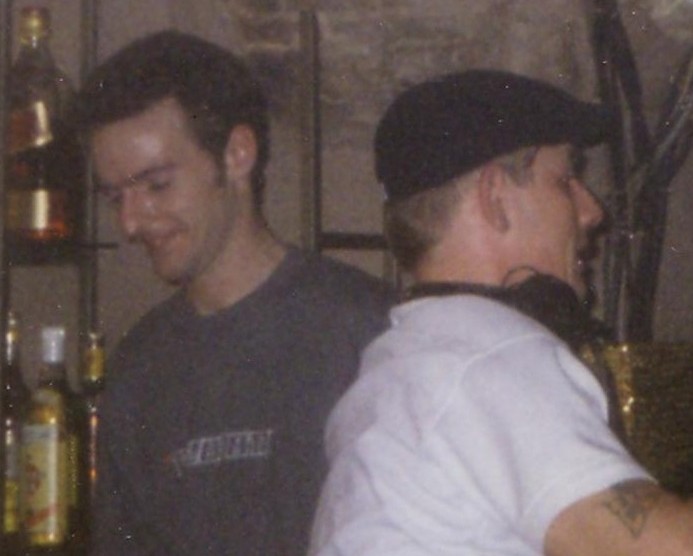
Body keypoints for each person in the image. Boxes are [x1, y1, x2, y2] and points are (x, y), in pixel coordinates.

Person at [308, 70, 693, 556]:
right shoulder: (489, 356)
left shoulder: (410, 362)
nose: (591, 210)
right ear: (495, 198)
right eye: (565, 180)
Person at [73, 30, 395, 556]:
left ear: (237, 154)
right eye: (115, 197)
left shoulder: (363, 329)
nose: (131, 222)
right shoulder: (139, 367)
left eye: (156, 185)